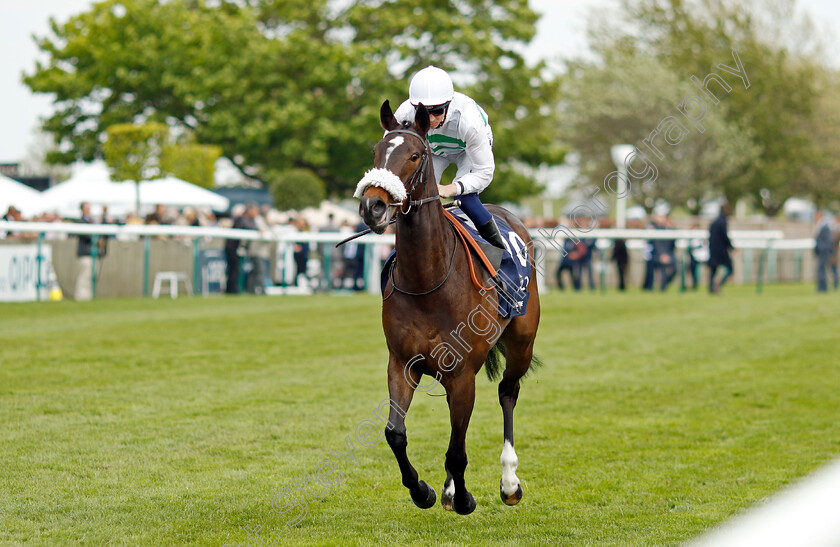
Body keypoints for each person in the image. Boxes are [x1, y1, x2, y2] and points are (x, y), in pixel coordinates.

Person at [394, 65, 505, 249]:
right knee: (414, 199)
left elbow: (484, 172)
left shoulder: (469, 121)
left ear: (448, 104)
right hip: (432, 151)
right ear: (414, 108)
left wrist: (450, 188)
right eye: (423, 112)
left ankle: (502, 255)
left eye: (437, 111)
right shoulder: (403, 116)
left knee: (466, 199)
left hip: (466, 150)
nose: (430, 120)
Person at [708, 201, 734, 294]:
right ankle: (717, 286)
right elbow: (724, 236)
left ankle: (712, 288)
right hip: (721, 250)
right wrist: (731, 247)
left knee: (713, 270)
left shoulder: (714, 222)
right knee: (729, 269)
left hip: (712, 249)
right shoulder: (722, 222)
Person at [74, 202, 97, 301]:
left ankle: (88, 296)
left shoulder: (91, 220)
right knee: (84, 276)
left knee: (90, 276)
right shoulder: (81, 221)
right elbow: (87, 236)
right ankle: (81, 297)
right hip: (85, 253)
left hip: (91, 253)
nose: (89, 209)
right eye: (87, 207)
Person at [814, 210, 833, 293]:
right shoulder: (819, 225)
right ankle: (821, 287)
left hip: (824, 251)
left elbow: (828, 240)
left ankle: (823, 288)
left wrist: (824, 250)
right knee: (820, 269)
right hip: (820, 251)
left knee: (821, 269)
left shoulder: (825, 226)